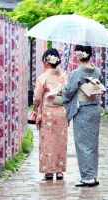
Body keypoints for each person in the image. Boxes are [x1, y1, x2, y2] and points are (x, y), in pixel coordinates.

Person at [63, 45, 104, 187]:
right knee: (92, 143)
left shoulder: (76, 73)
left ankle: (87, 177)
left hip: (83, 109)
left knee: (82, 144)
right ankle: (93, 175)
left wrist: (64, 87)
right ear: (90, 55)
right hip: (95, 109)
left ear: (78, 55)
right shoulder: (97, 71)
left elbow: (68, 93)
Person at [33, 48, 68, 180]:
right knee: (60, 140)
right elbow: (68, 93)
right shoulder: (64, 77)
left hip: (48, 112)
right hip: (61, 111)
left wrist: (35, 109)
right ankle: (59, 171)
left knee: (47, 141)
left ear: (45, 61)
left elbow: (37, 97)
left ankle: (48, 171)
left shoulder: (43, 78)